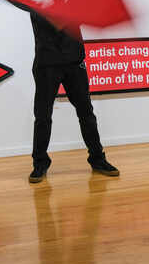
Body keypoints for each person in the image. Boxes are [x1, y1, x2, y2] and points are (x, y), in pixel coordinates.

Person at [28, 11, 119, 183]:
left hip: (74, 61)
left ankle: (98, 159)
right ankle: (39, 163)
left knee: (86, 113)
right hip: (47, 63)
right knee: (42, 116)